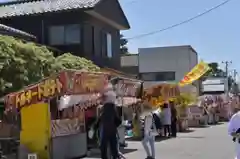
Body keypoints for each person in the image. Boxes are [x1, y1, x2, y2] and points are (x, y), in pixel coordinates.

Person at [95, 90, 121, 159]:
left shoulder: (104, 108)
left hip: (105, 131)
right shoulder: (113, 108)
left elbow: (100, 119)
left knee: (103, 148)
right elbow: (119, 121)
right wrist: (114, 126)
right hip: (112, 131)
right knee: (113, 148)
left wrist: (96, 126)